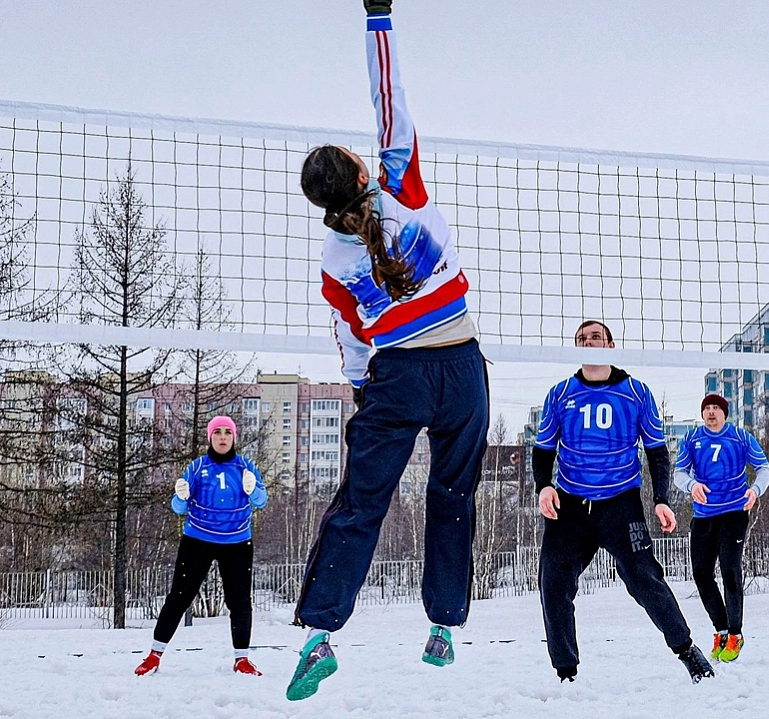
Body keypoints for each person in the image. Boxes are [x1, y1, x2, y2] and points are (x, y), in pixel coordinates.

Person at [287, 0, 490, 701]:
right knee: (452, 494)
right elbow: (389, 93)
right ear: (360, 168)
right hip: (462, 365)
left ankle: (318, 634)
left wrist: (361, 386)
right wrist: (379, 16)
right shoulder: (399, 178)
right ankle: (443, 627)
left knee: (362, 501)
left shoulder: (330, 259)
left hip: (395, 373)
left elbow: (348, 338)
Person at [533, 320, 713, 684]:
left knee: (644, 579)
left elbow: (657, 452)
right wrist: (543, 487)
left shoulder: (635, 392)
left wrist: (661, 499)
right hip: (570, 504)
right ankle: (566, 674)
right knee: (552, 583)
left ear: (611, 346)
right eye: (581, 339)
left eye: (595, 336)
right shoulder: (560, 394)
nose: (588, 342)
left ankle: (687, 651)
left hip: (620, 504)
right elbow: (544, 448)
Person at [134, 417, 267, 677]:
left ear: (234, 437)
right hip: (198, 540)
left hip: (237, 541)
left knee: (240, 602)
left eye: (228, 432)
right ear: (210, 437)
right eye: (217, 432)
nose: (222, 436)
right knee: (179, 597)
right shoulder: (196, 467)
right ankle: (154, 655)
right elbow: (178, 508)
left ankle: (242, 659)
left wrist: (253, 491)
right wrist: (181, 496)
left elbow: (261, 502)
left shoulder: (245, 466)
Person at [672, 393, 769, 662]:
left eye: (717, 408)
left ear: (725, 413)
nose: (712, 412)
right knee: (701, 573)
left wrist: (755, 491)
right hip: (704, 514)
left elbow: (764, 468)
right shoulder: (692, 439)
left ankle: (736, 633)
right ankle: (721, 630)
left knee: (730, 569)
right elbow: (679, 473)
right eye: (707, 408)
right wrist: (692, 486)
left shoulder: (739, 437)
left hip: (734, 512)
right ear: (702, 413)